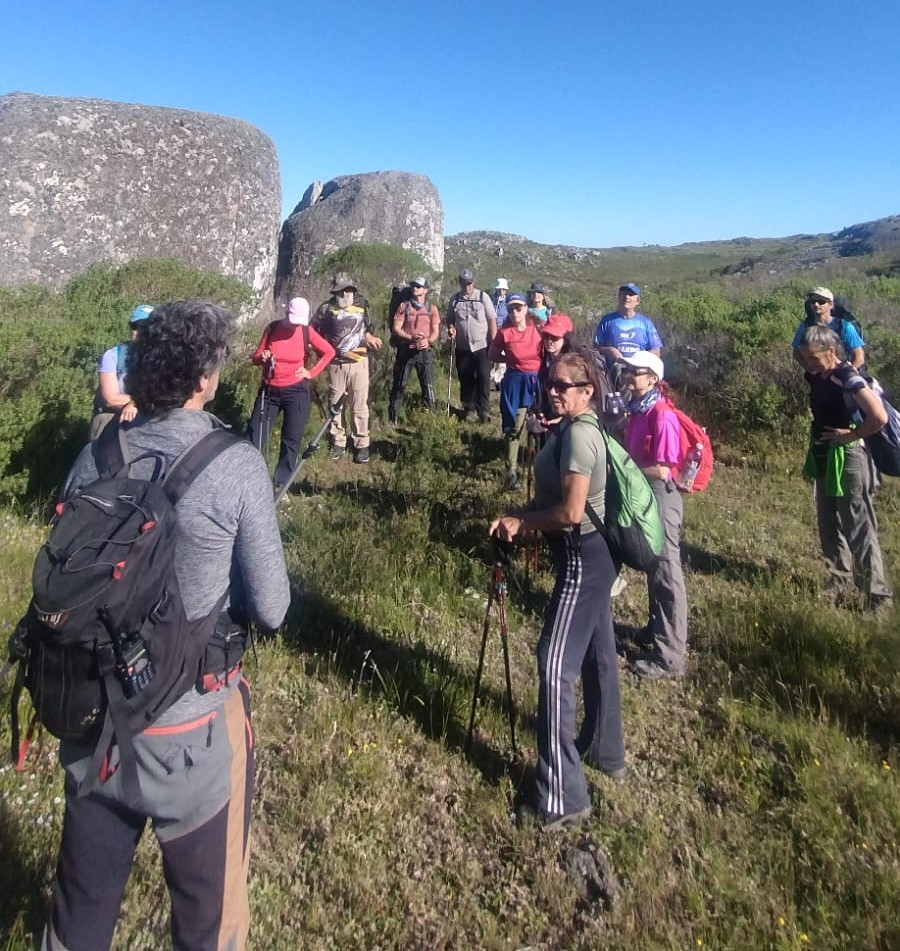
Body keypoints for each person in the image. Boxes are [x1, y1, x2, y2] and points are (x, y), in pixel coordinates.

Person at [42, 300, 291, 951]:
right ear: (205, 377)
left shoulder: (97, 453)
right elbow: (273, 607)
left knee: (78, 915)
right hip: (192, 729)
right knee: (208, 921)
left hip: (93, 719)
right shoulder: (235, 463)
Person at [490, 351, 625, 830]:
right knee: (598, 652)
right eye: (550, 383)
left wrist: (522, 522)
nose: (552, 390)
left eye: (563, 385)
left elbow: (570, 512)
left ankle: (561, 796)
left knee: (553, 664)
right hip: (591, 555)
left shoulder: (581, 435)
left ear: (587, 392)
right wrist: (522, 515)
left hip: (582, 559)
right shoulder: (570, 427)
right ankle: (605, 749)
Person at [799, 325, 892, 613]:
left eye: (813, 357)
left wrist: (852, 435)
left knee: (857, 524)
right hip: (825, 454)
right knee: (828, 520)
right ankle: (839, 577)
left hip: (850, 457)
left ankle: (877, 596)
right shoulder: (820, 376)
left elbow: (879, 416)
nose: (809, 364)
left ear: (831, 351)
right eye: (806, 358)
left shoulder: (848, 377)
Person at [619, 351, 689, 678]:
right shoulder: (637, 410)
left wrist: (625, 469)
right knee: (653, 564)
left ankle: (669, 656)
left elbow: (663, 470)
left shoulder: (661, 415)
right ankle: (655, 629)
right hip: (644, 494)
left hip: (660, 496)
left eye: (637, 372)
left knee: (665, 571)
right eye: (628, 370)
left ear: (653, 379)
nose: (630, 376)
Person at [248, 297, 335, 494]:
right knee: (255, 435)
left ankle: (281, 485)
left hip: (296, 392)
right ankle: (251, 480)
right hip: (269, 391)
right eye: (293, 320)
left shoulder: (305, 331)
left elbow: (329, 352)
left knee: (291, 440)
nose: (296, 325)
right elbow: (256, 358)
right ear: (286, 313)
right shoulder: (272, 329)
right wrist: (262, 357)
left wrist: (311, 373)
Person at [313, 272, 383, 463]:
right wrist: (321, 350)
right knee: (335, 404)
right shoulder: (326, 308)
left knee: (359, 404)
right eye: (341, 291)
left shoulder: (362, 304)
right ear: (335, 292)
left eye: (348, 290)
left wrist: (369, 336)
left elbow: (368, 326)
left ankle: (362, 444)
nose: (345, 294)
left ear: (353, 289)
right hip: (336, 365)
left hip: (359, 362)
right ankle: (338, 441)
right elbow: (313, 330)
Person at [488, 293, 543, 488]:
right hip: (516, 382)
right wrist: (510, 360)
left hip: (537, 379)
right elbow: (492, 354)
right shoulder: (505, 333)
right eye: (511, 309)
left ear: (526, 309)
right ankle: (510, 470)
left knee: (543, 424)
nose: (514, 312)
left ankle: (543, 467)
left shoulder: (538, 327)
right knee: (514, 426)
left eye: (518, 308)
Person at [90, 304, 154, 440]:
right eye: (136, 326)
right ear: (130, 328)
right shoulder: (113, 355)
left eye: (147, 327)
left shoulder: (164, 358)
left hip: (149, 422)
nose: (141, 331)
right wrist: (141, 401)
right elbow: (111, 399)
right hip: (111, 419)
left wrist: (136, 404)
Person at [446, 267, 498, 423]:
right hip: (462, 346)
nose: (466, 286)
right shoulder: (455, 299)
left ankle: (484, 409)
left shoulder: (482, 297)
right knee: (465, 377)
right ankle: (469, 409)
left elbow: (492, 320)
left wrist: (494, 343)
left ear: (473, 282)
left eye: (469, 283)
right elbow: (450, 319)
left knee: (483, 376)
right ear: (460, 283)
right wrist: (451, 327)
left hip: (482, 345)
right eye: (464, 283)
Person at [388, 277, 440, 424]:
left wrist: (427, 341)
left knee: (427, 386)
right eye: (413, 286)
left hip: (425, 352)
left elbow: (435, 332)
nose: (415, 288)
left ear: (426, 290)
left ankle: (429, 419)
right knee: (400, 384)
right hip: (406, 351)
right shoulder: (404, 306)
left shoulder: (432, 309)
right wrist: (411, 337)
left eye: (418, 286)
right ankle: (393, 418)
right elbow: (396, 328)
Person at [792, 286, 865, 371]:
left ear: (831, 305)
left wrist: (847, 373)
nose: (816, 304)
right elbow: (797, 352)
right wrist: (810, 370)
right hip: (818, 376)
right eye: (813, 301)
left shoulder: (844, 326)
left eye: (821, 302)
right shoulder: (805, 327)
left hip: (842, 373)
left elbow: (859, 357)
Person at [593, 283, 662, 364]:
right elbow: (597, 348)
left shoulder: (645, 323)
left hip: (638, 369)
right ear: (619, 297)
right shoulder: (606, 321)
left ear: (637, 301)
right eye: (624, 294)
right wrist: (610, 350)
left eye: (631, 294)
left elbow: (656, 350)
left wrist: (640, 360)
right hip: (613, 368)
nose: (627, 297)